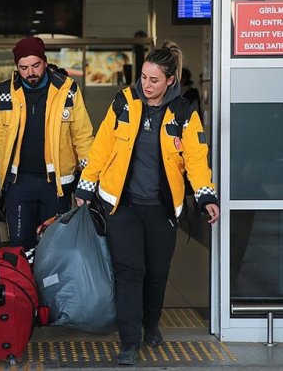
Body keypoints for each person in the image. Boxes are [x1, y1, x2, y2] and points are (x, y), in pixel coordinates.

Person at [74, 41, 220, 366]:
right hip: (122, 206)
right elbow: (101, 146)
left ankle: (151, 324)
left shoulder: (183, 113)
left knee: (157, 272)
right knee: (129, 272)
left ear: (170, 80)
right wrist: (86, 185)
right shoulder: (124, 103)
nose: (146, 85)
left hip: (161, 209)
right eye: (143, 77)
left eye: (154, 80)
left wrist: (206, 193)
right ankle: (129, 341)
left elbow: (196, 158)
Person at [0, 36, 94, 256]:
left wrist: (87, 184)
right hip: (18, 183)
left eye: (35, 65)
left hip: (56, 185)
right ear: (17, 67)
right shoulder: (3, 93)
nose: (30, 73)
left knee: (54, 248)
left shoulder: (67, 90)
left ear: (45, 62)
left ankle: (49, 291)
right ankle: (25, 290)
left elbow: (82, 137)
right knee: (20, 247)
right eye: (23, 68)